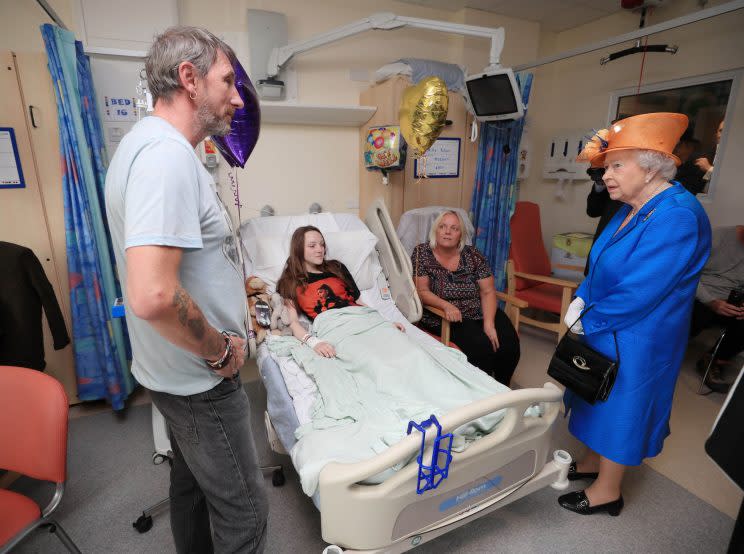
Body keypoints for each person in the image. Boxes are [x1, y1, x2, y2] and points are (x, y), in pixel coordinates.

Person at [104, 26, 268, 553]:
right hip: (201, 379)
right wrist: (221, 350)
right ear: (190, 78)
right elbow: (153, 294)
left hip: (168, 371)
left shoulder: (140, 146)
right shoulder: (167, 157)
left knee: (192, 486)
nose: (237, 97)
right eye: (228, 81)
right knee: (245, 512)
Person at [559, 112, 711, 517]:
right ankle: (592, 463)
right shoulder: (629, 207)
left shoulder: (677, 215)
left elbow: (642, 290)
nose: (605, 175)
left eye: (615, 165)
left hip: (640, 336)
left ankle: (608, 490)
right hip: (606, 323)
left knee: (621, 406)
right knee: (594, 394)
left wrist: (588, 318)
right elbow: (601, 260)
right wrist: (582, 298)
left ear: (649, 167)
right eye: (606, 166)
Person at [411, 210, 520, 386]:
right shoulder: (421, 253)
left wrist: (489, 323)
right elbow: (421, 291)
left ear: (460, 234)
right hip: (446, 315)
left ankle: (502, 389)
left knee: (509, 344)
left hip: (479, 310)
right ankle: (481, 394)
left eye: (454, 228)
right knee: (481, 348)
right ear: (435, 230)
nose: (447, 232)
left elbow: (487, 291)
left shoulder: (473, 255)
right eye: (443, 227)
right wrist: (446, 305)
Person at [276, 225, 404, 357]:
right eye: (312, 246)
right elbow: (293, 322)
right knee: (368, 356)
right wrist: (314, 342)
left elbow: (359, 302)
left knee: (403, 349)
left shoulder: (336, 267)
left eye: (322, 244)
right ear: (298, 249)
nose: (320, 249)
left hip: (363, 317)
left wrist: (384, 322)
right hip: (334, 326)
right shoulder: (290, 281)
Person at [690, 225, 744, 392]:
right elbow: (688, 272)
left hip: (730, 301)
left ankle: (714, 360)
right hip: (698, 293)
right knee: (700, 314)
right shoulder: (717, 236)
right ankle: (660, 353)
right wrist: (711, 301)